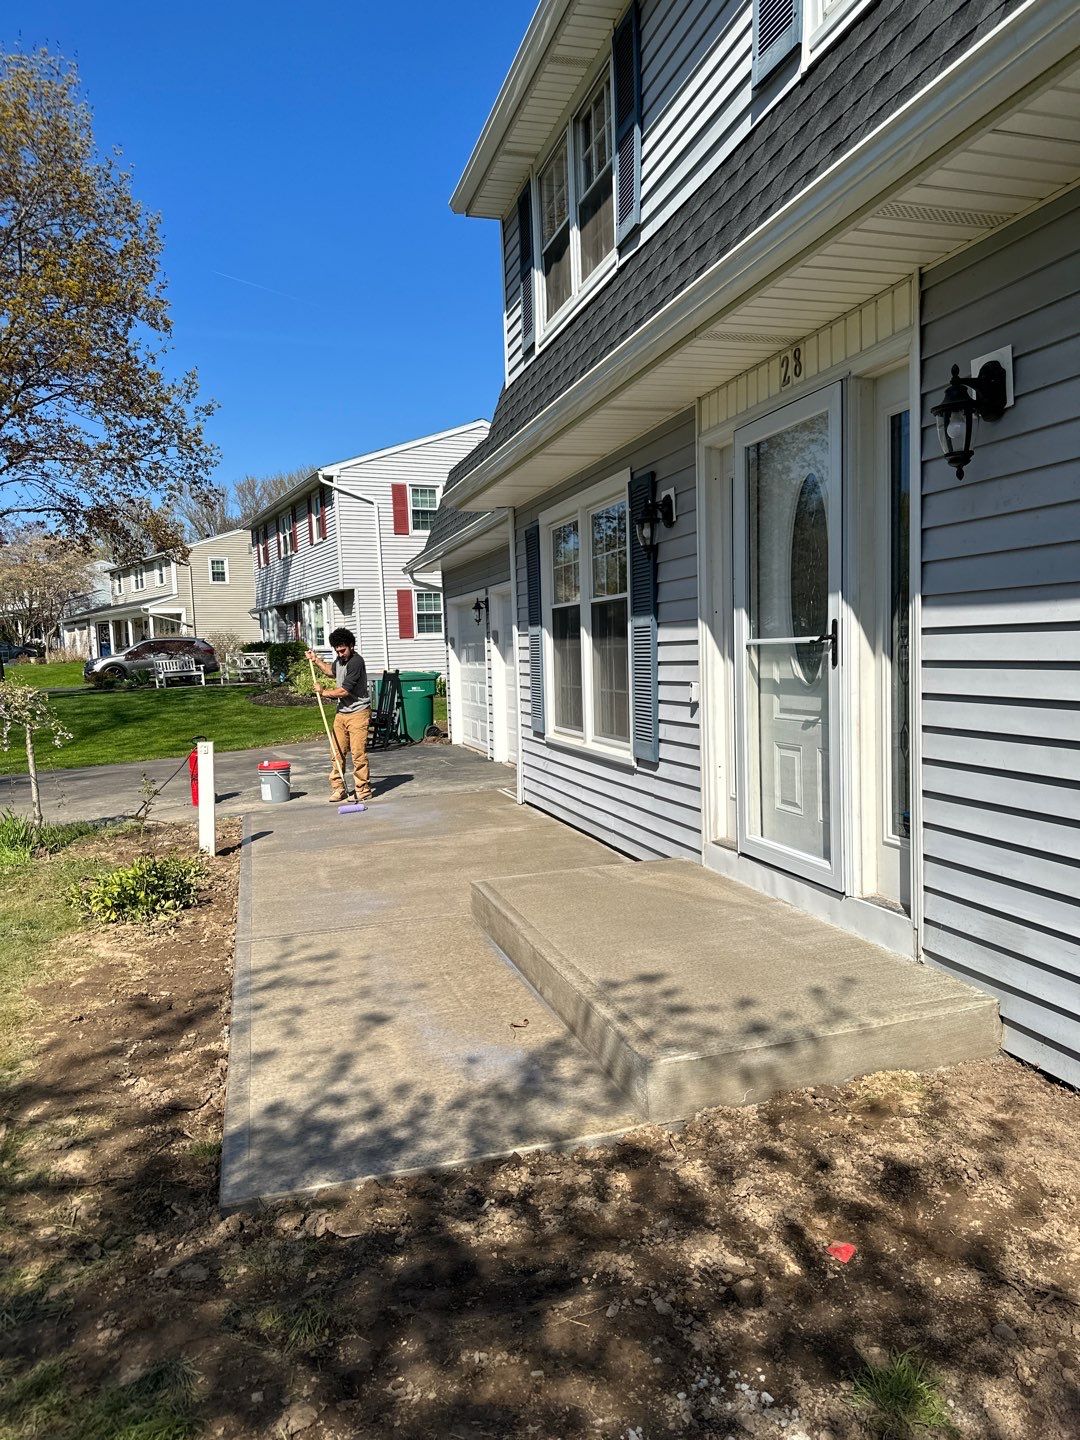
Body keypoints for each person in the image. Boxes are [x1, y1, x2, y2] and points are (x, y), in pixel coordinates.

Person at [306, 629, 373, 803]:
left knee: (358, 753)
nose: (340, 654)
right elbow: (331, 671)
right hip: (341, 714)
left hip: (358, 713)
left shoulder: (356, 662)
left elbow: (344, 691)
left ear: (351, 645)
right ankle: (339, 788)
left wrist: (324, 692)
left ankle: (363, 789)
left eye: (342, 650)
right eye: (337, 651)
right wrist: (316, 660)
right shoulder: (340, 660)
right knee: (336, 752)